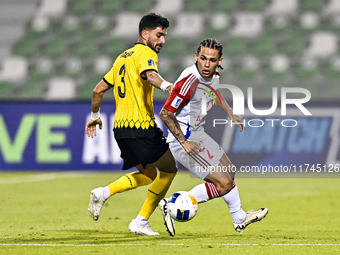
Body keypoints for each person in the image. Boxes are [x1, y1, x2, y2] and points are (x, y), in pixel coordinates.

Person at [158, 39, 268, 236]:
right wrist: (184, 142)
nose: (206, 64)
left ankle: (239, 218)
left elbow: (214, 92)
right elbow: (165, 113)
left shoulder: (214, 74)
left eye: (211, 60)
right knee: (224, 184)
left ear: (219, 61)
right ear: (196, 57)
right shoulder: (188, 83)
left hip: (199, 134)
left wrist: (230, 113)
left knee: (230, 172)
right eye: (202, 59)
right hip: (185, 140)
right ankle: (171, 204)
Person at [85, 13, 178, 236]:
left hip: (120, 129)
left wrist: (95, 115)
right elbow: (150, 75)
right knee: (169, 170)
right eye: (159, 35)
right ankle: (141, 220)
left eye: (164, 36)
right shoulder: (146, 53)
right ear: (144, 34)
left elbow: (98, 89)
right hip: (141, 125)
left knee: (148, 175)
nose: (162, 41)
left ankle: (103, 192)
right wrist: (169, 86)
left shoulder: (121, 58)